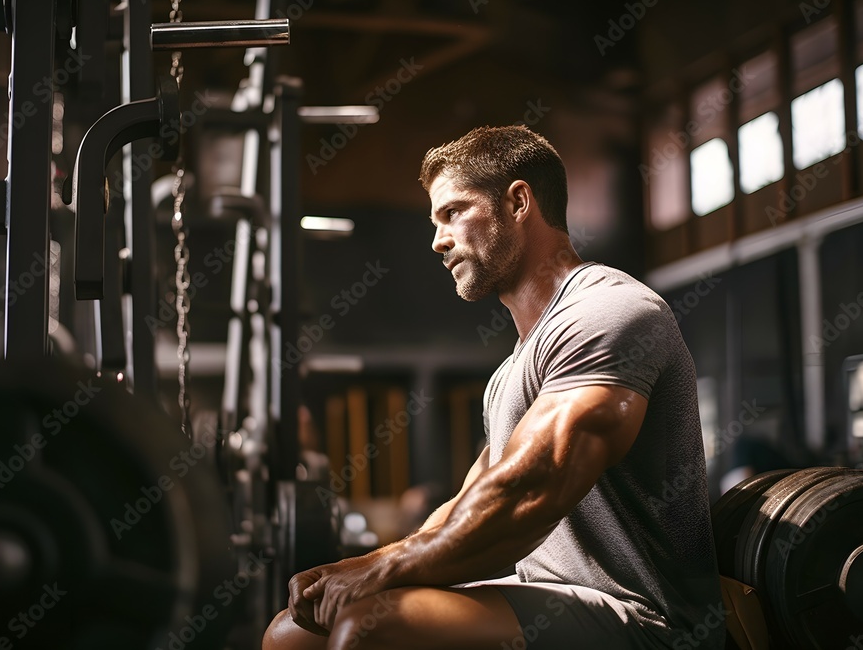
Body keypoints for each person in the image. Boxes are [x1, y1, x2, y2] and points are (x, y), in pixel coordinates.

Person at [262, 125, 724, 649]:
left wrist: (382, 572)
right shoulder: (513, 369)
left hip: (645, 618)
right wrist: (359, 565)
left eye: (453, 212)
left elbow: (532, 483)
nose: (437, 239)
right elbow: (470, 499)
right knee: (292, 635)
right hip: (543, 593)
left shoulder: (609, 311)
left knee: (370, 627)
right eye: (435, 221)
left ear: (518, 203)